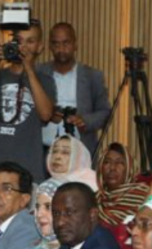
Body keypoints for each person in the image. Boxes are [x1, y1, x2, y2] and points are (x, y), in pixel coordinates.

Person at [0, 19, 56, 183]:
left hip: (27, 169)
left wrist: (29, 70)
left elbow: (46, 115)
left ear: (40, 47)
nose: (23, 47)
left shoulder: (45, 80)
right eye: (19, 41)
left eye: (30, 41)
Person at [39, 22, 111, 156]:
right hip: (43, 150)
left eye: (66, 43)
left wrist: (84, 120)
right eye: (56, 44)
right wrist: (47, 116)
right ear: (50, 46)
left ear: (75, 45)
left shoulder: (92, 76)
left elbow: (105, 112)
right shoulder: (38, 73)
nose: (61, 48)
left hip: (80, 150)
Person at [95, 142, 151, 249]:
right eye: (107, 162)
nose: (112, 168)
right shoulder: (93, 199)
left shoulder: (142, 194)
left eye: (120, 163)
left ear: (130, 167)